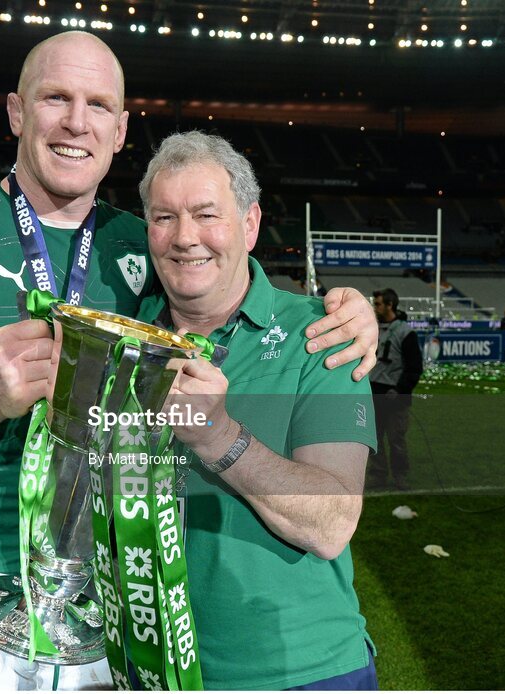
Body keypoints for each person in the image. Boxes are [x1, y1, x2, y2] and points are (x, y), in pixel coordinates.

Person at [0, 31, 380, 690]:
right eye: (56, 99)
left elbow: (223, 281)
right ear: (16, 112)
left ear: (121, 128)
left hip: (114, 597)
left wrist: (350, 312)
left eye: (98, 105)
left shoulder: (143, 245)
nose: (76, 121)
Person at [135, 131, 378, 689]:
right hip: (149, 668)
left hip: (300, 672)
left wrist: (217, 435)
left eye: (205, 214)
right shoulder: (122, 335)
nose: (184, 237)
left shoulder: (322, 333)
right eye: (164, 217)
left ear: (249, 224)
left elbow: (332, 523)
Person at [366, 288, 423, 491]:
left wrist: (400, 389)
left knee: (396, 439)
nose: (375, 307)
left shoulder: (405, 332)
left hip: (394, 394)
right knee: (374, 439)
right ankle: (378, 474)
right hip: (373, 392)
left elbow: (415, 366)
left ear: (390, 305)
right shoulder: (372, 327)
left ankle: (400, 475)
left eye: (379, 304)